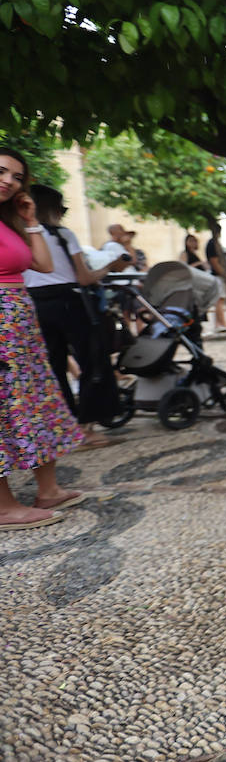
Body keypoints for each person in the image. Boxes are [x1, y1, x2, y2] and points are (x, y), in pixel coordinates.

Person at [0, 148, 85, 529]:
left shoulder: (8, 222)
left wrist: (30, 221)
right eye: (2, 172)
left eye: (17, 177)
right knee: (5, 408)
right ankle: (3, 507)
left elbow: (45, 265)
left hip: (20, 324)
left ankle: (47, 489)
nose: (9, 182)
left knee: (34, 401)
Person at [24, 184, 126, 448]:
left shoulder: (18, 236)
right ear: (53, 209)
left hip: (32, 302)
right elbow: (83, 277)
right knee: (92, 360)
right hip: (69, 301)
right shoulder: (61, 234)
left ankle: (63, 428)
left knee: (52, 367)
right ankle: (85, 428)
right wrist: (109, 268)